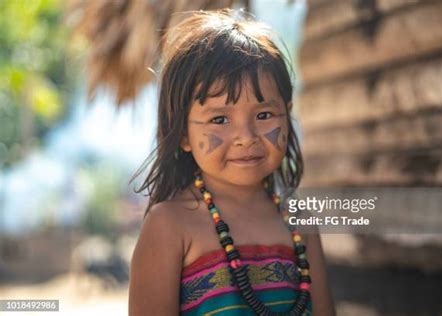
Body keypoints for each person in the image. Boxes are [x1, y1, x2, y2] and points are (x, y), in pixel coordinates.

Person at [129, 9, 335, 316]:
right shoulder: (168, 227)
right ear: (183, 133)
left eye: (264, 115)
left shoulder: (300, 225)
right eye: (219, 119)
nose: (246, 136)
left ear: (288, 115)